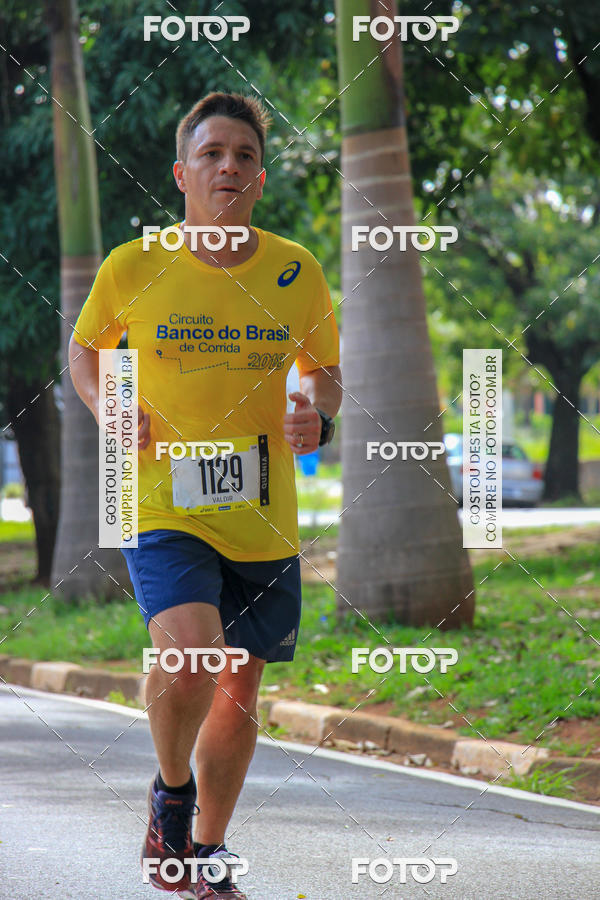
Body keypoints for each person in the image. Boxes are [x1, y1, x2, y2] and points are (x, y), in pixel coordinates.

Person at [69, 92, 341, 899]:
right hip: (161, 503)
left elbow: (325, 372)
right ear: (181, 174)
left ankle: (206, 854)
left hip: (262, 515)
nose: (230, 166)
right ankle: (172, 796)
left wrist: (315, 413)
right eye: (213, 153)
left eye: (246, 156)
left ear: (260, 179)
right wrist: (111, 407)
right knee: (189, 658)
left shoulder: (296, 270)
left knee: (239, 688)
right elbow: (84, 352)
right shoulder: (134, 265)